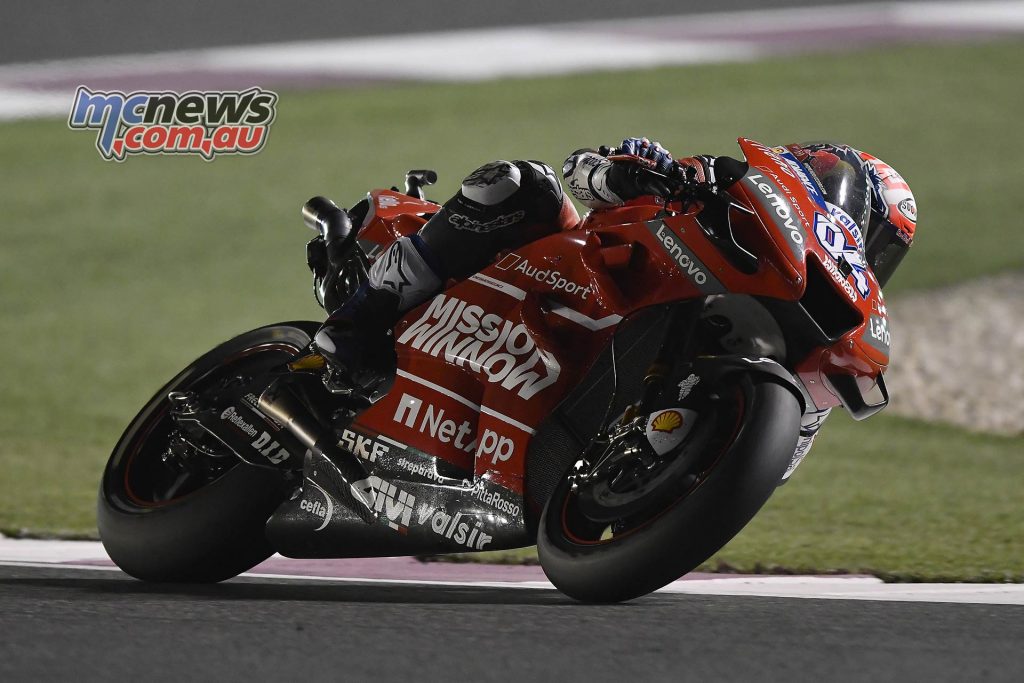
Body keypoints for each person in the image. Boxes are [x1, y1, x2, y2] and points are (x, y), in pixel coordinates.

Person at [312, 136, 917, 478]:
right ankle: (360, 318)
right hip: (572, 278)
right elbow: (584, 169)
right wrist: (630, 171)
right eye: (862, 222)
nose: (859, 244)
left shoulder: (818, 353)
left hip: (575, 393)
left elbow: (773, 469)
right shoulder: (715, 189)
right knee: (522, 184)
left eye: (878, 245)